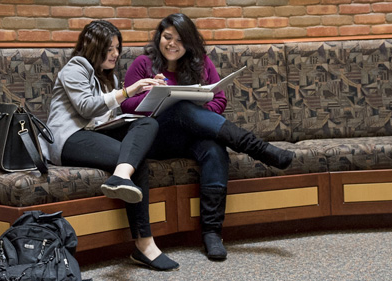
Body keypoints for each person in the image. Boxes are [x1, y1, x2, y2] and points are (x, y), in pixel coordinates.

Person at [122, 13, 295, 261]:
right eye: (167, 37)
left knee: (214, 148)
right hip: (156, 138)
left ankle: (212, 233)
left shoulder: (201, 63)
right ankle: (258, 148)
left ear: (189, 43)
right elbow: (127, 106)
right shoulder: (143, 64)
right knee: (179, 108)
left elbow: (220, 99)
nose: (171, 44)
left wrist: (197, 115)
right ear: (159, 37)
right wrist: (153, 92)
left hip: (191, 136)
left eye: (179, 40)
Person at [44, 20, 177, 271]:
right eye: (110, 49)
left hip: (94, 133)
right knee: (135, 160)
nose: (116, 54)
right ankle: (145, 245)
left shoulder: (108, 76)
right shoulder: (75, 67)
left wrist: (150, 92)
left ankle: (121, 176)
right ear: (93, 47)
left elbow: (107, 116)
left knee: (147, 125)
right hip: (68, 139)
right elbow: (86, 107)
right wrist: (129, 90)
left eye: (117, 48)